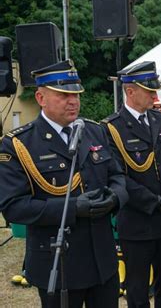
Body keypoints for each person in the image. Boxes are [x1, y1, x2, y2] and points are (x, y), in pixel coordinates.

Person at [0, 59, 128, 308]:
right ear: (40, 98)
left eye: (76, 95)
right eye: (63, 95)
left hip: (102, 260)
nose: (73, 101)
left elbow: (118, 176)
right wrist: (72, 209)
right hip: (58, 263)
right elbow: (14, 207)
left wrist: (114, 198)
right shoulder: (18, 144)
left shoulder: (94, 131)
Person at [102, 61, 161, 308]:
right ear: (130, 91)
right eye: (149, 91)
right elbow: (117, 177)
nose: (155, 96)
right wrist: (156, 202)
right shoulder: (110, 129)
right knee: (137, 292)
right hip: (138, 223)